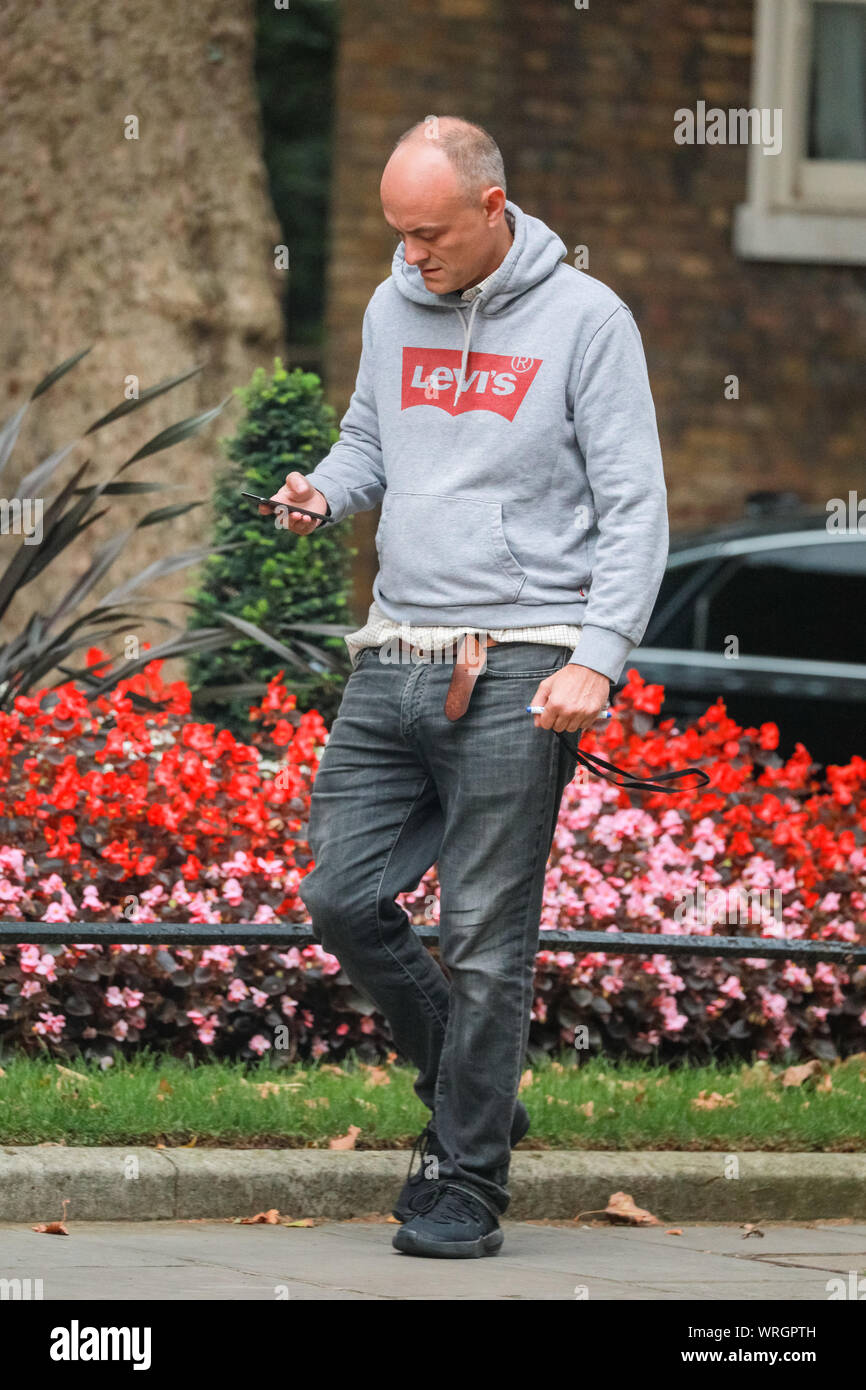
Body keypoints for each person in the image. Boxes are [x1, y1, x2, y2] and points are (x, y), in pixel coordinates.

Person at [270, 116, 669, 1258]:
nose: (410, 253)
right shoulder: (393, 302)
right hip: (394, 649)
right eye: (395, 231)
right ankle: (474, 1087)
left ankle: (464, 1176)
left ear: (493, 207)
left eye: (428, 231)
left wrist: (597, 656)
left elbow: (634, 505)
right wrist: (324, 491)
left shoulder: (587, 322)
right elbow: (368, 441)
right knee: (341, 897)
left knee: (486, 937)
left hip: (525, 657)